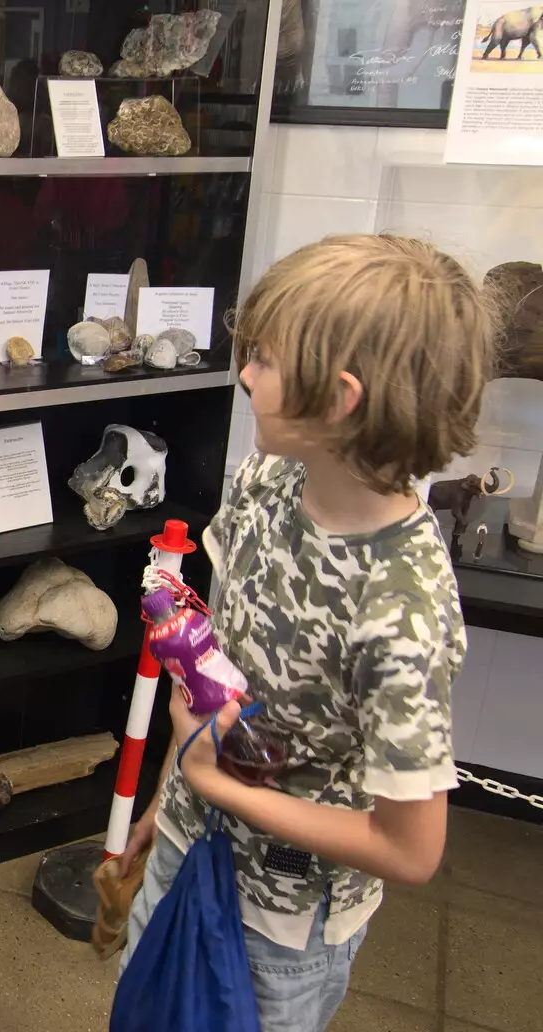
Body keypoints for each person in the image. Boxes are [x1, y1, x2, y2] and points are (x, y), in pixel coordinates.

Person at [115, 234, 495, 1032]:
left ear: (340, 399)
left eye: (265, 361)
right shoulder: (269, 477)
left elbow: (410, 849)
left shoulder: (403, 608)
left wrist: (215, 785)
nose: (246, 375)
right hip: (188, 849)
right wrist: (174, 796)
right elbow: (213, 663)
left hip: (278, 929)